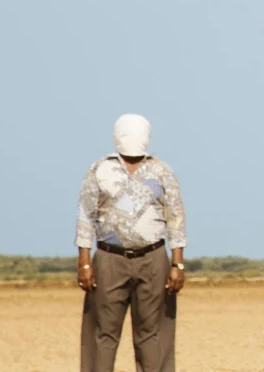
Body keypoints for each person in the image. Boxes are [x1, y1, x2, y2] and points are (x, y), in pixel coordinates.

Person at [76, 113, 188, 372]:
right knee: (102, 333)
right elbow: (86, 216)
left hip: (153, 258)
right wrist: (84, 262)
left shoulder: (161, 171)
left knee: (153, 333)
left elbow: (176, 218)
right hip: (109, 258)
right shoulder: (100, 169)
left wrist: (177, 264)